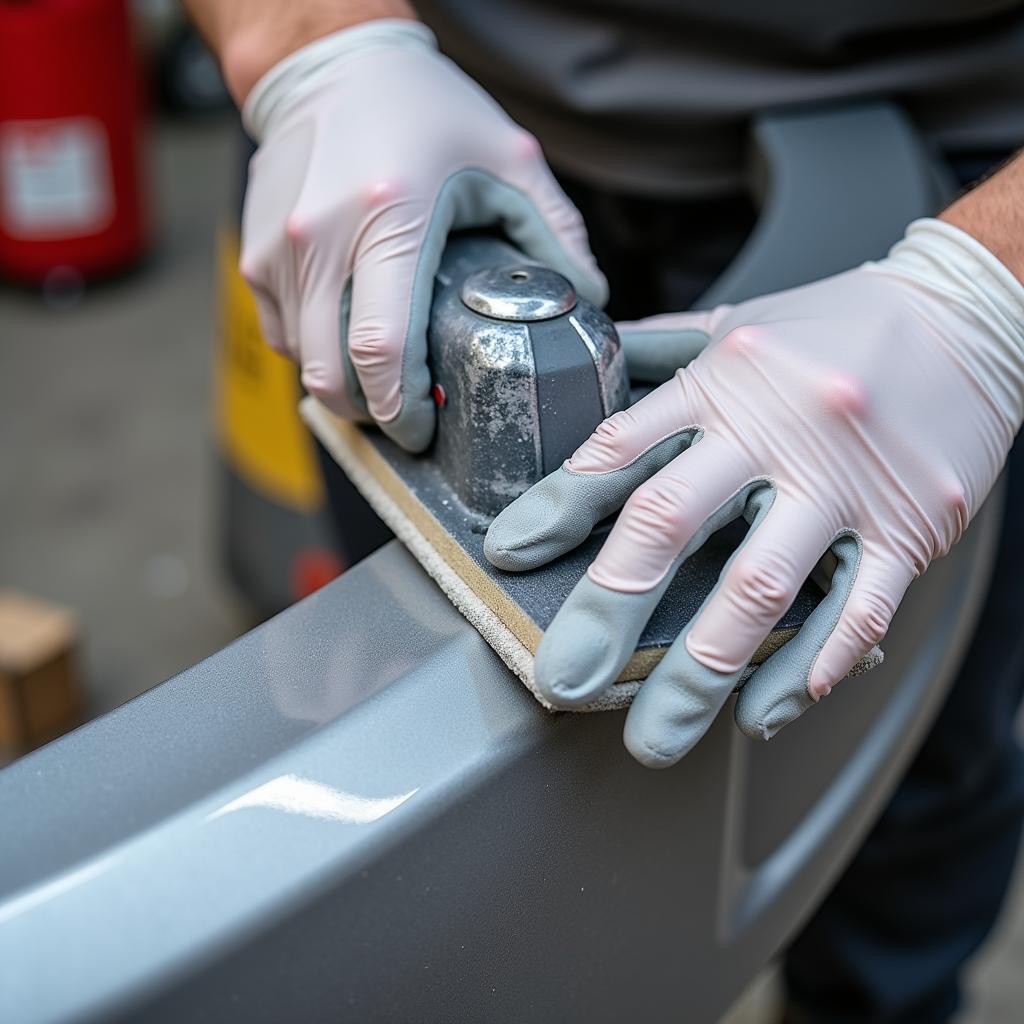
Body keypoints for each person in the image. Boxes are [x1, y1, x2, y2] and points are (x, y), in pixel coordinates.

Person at [184, 2, 1024, 1019]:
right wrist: (313, 46)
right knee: (439, 750)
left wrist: (982, 293)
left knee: (902, 757)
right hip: (412, 134)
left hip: (951, 186)